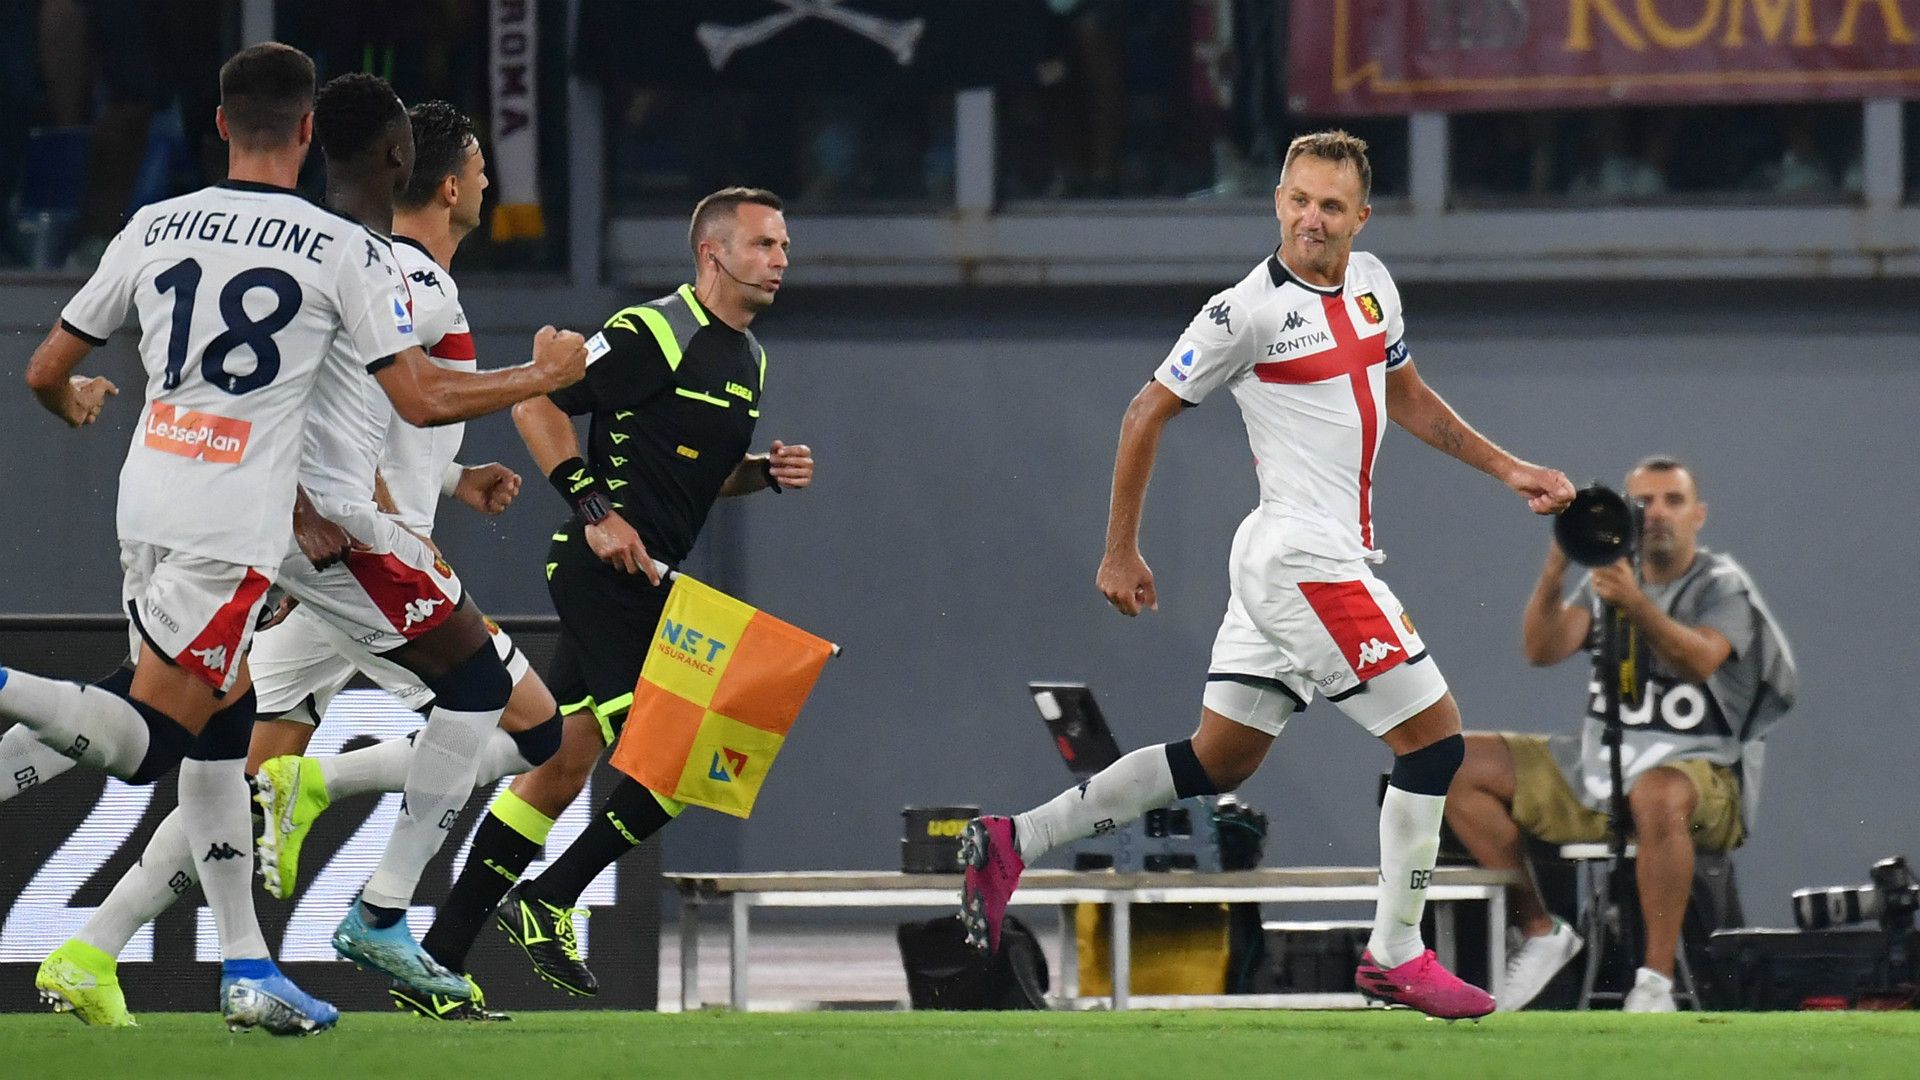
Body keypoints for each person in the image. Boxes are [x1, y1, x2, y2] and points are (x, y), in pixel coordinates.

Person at [959, 130, 1575, 1021]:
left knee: (1219, 759)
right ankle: (1395, 954)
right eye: (1296, 199)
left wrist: (1507, 468)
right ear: (1276, 200)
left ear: (1361, 217)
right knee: (1435, 743)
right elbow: (1144, 413)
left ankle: (1014, 840)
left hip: (1303, 561)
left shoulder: (1373, 287)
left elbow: (1403, 393)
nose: (1310, 219)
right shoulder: (1242, 312)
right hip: (1297, 556)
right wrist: (1119, 549)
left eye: (1330, 205)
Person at [14, 72, 588, 1024]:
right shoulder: (367, 265)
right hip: (327, 543)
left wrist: (448, 481)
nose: (488, 181)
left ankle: (130, 949)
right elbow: (409, 401)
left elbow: (354, 413)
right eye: (483, 167)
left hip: (216, 512)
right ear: (427, 173)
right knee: (514, 715)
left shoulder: (183, 225)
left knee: (212, 738)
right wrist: (544, 374)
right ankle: (377, 904)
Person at [3, 41, 386, 1035]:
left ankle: (249, 969)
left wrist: (72, 396)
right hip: (227, 528)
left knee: (222, 738)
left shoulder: (154, 222)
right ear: (307, 130)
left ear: (220, 125)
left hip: (150, 498)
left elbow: (48, 366)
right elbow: (411, 394)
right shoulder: (335, 245)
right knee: (149, 744)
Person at [446, 187, 811, 1000]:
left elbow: (692, 478)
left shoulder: (749, 360)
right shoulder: (655, 331)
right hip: (603, 571)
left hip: (645, 577)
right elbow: (536, 394)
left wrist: (761, 475)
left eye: (784, 246)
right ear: (713, 254)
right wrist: (594, 510)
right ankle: (547, 898)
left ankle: (438, 952)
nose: (781, 260)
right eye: (763, 245)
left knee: (564, 761)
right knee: (681, 759)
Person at [1445, 455, 1796, 1012]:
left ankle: (1653, 984)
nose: (1657, 514)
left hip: (1706, 774)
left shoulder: (1720, 585)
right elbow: (1541, 650)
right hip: (1603, 766)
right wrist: (1559, 562)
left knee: (1657, 792)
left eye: (1672, 501)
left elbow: (1698, 660)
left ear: (1698, 515)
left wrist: (1635, 603)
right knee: (1452, 762)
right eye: (1643, 503)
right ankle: (1541, 930)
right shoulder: (1605, 577)